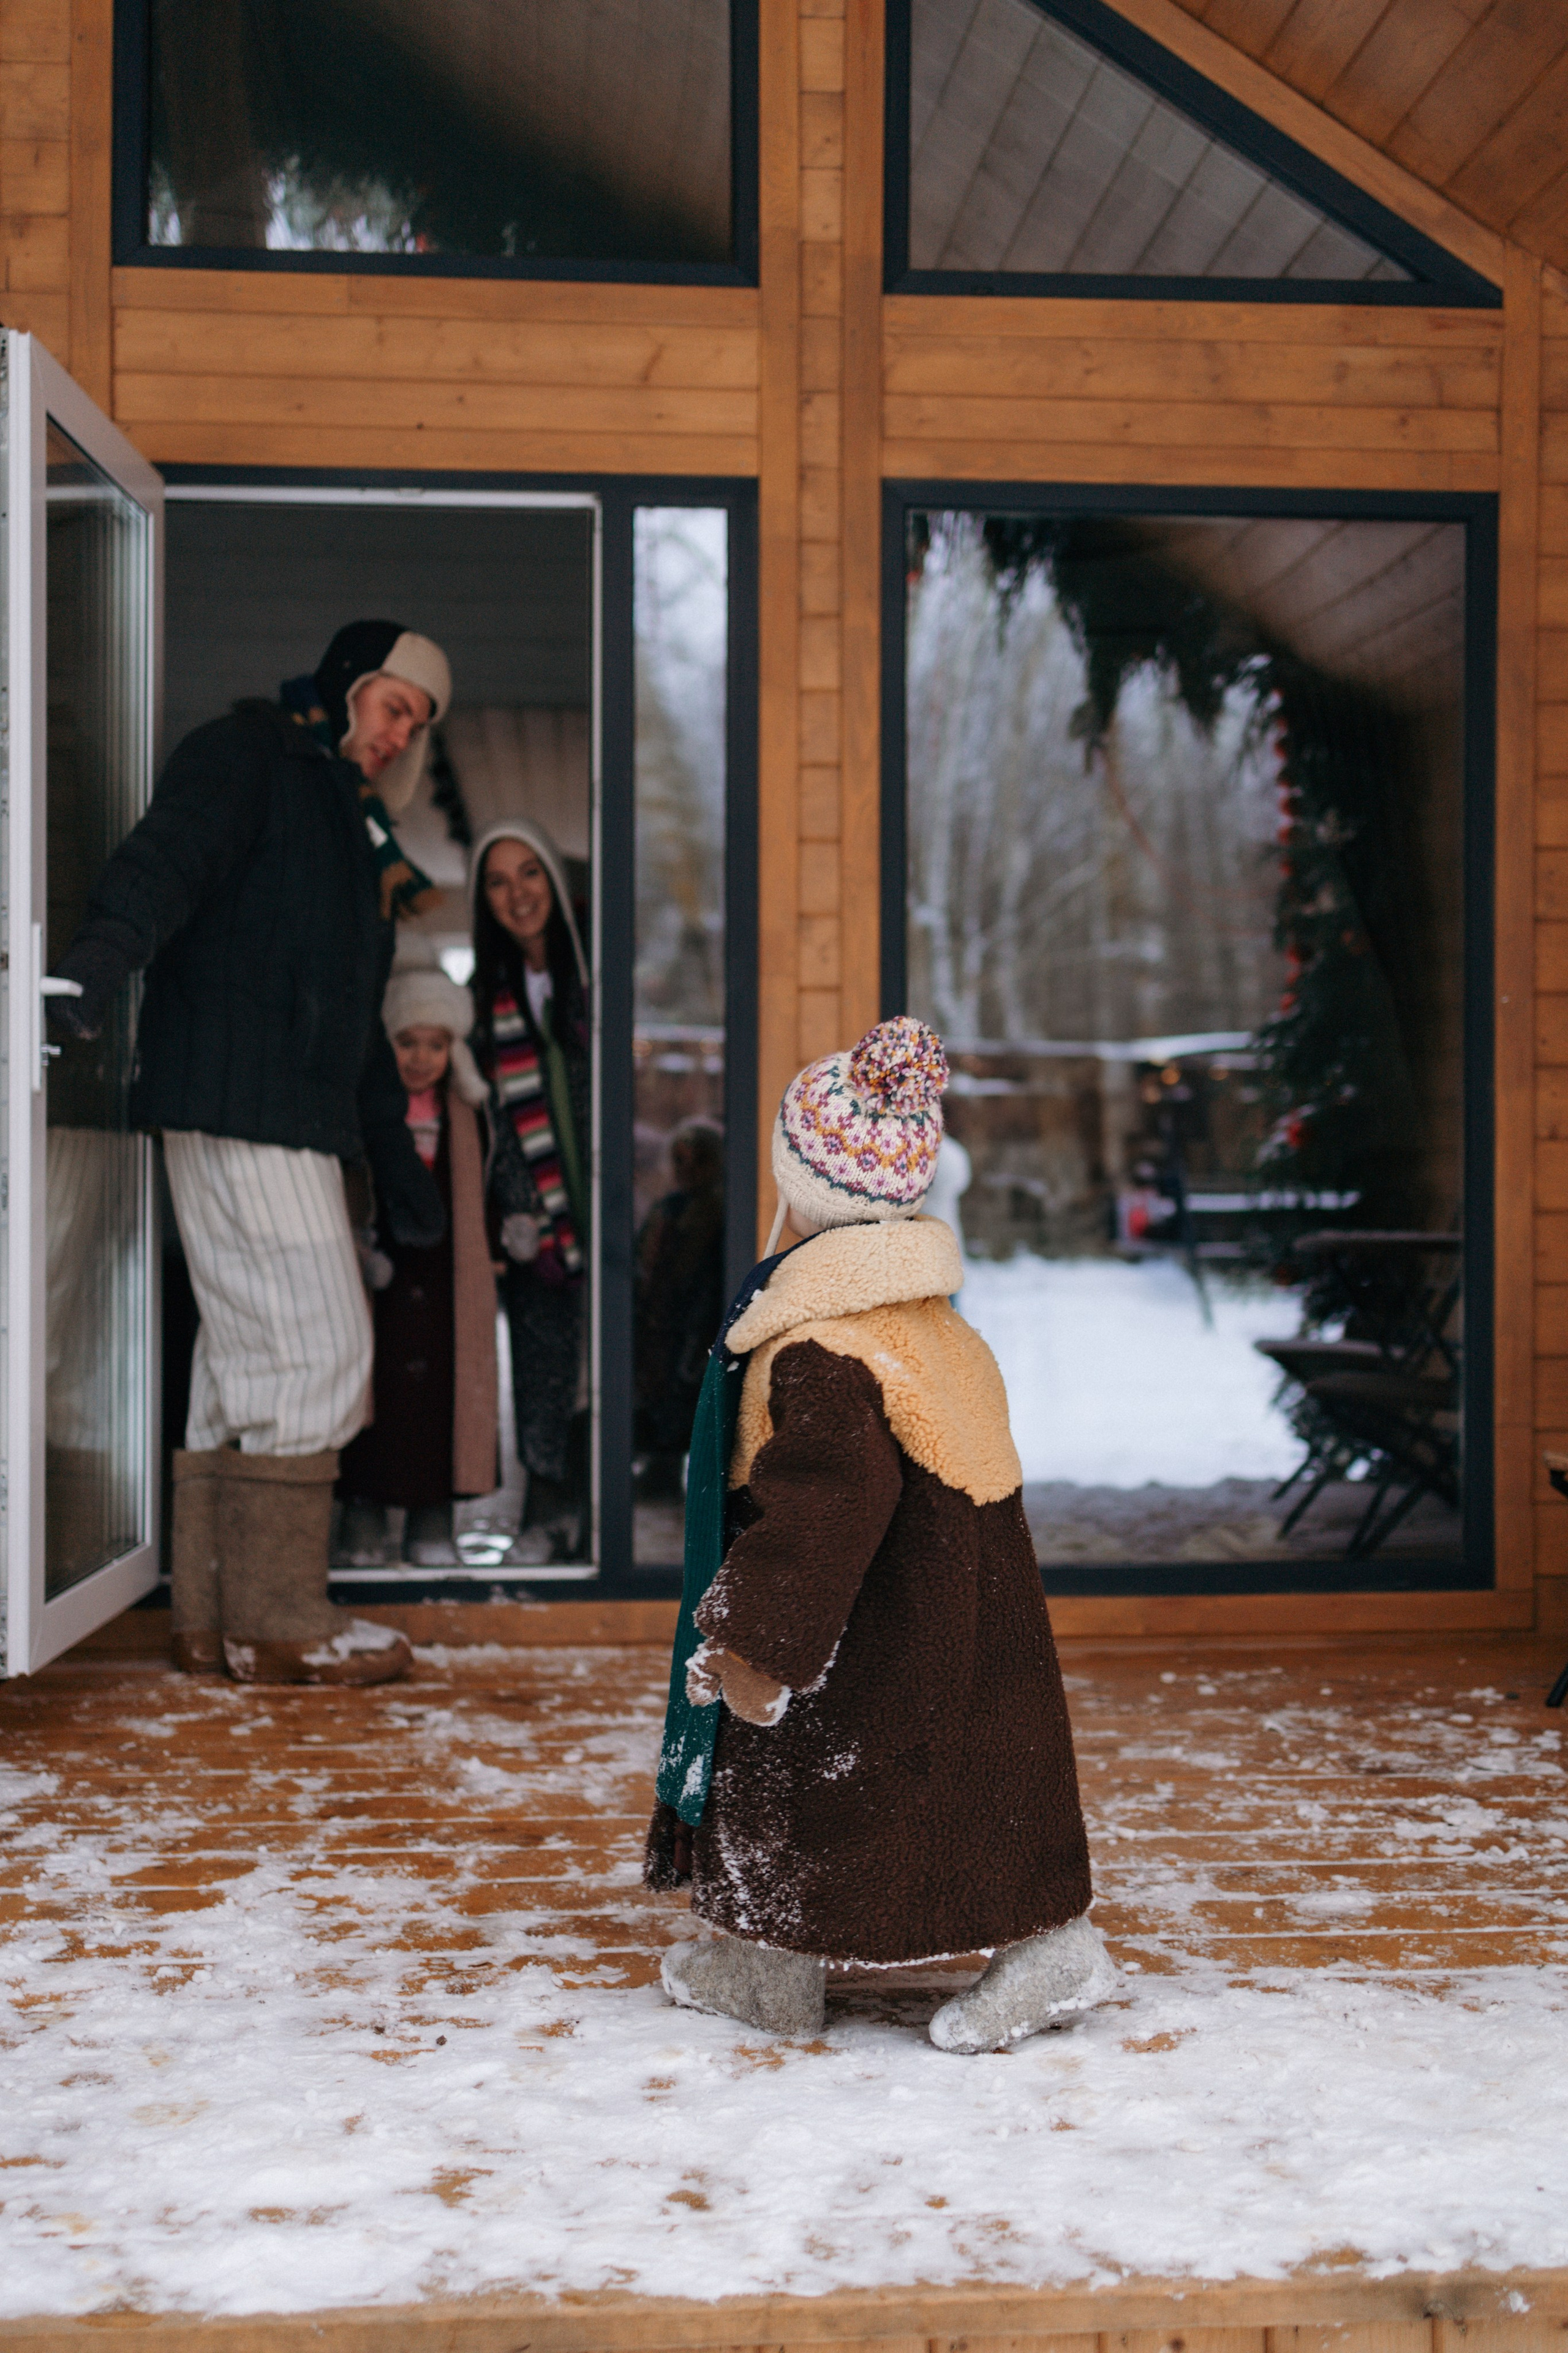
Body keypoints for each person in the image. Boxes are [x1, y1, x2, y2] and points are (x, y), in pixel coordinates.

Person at [645, 1016, 1115, 2049]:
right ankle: (786, 1960)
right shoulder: (933, 1323)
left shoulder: (821, 1346)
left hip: (869, 1638)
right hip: (957, 1625)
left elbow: (829, 1503)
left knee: (808, 1779)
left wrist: (752, 1636)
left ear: (801, 1190)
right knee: (987, 1782)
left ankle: (1036, 1954)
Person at [49, 620, 453, 1685]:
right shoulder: (254, 758)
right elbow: (164, 860)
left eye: (416, 722)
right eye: (396, 703)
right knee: (319, 1352)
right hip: (241, 1100)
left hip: (281, 1111)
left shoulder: (350, 826)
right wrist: (96, 963)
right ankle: (283, 1620)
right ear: (353, 684)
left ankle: (218, 1622)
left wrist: (398, 1166)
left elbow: (357, 1026)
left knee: (244, 1364)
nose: (401, 731)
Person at [336, 956, 499, 1568]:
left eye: (436, 1044)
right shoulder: (368, 1111)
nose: (421, 1057)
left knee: (442, 1404)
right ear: (388, 1044)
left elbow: (491, 1185)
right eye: (408, 1042)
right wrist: (359, 1246)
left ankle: (432, 1524)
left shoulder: (469, 1115)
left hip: (447, 1280)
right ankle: (363, 1518)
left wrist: (508, 1226)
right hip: (383, 1276)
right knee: (372, 1401)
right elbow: (348, 1183)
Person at [468, 821, 591, 1565]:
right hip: (536, 1217)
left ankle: (597, 1512)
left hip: (608, 1210)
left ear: (553, 878)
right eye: (499, 882)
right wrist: (521, 1210)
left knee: (602, 1369)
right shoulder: (486, 1001)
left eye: (529, 874)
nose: (518, 894)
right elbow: (494, 1121)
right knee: (544, 1369)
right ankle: (543, 1517)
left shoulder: (594, 981)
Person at [633, 1119, 726, 1499]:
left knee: (686, 1400)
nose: (687, 1170)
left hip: (698, 1322)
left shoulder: (721, 1211)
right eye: (680, 1161)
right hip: (662, 1323)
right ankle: (662, 1468)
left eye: (698, 1161)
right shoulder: (667, 1208)